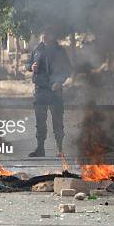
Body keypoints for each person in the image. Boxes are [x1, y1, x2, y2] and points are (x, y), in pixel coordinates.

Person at [25, 26, 71, 157]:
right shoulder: (36, 49)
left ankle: (59, 149)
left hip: (55, 91)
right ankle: (40, 149)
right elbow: (27, 64)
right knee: (40, 121)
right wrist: (30, 67)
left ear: (52, 35)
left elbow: (67, 69)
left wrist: (59, 81)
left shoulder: (60, 50)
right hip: (40, 90)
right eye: (43, 33)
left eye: (47, 33)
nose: (44, 35)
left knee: (57, 121)